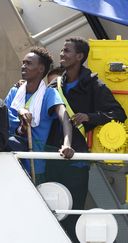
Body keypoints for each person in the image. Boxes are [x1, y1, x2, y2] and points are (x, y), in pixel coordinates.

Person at [46, 37, 127, 243]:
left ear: (80, 56)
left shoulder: (94, 84)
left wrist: (90, 117)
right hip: (51, 155)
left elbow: (118, 113)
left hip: (77, 160)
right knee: (49, 213)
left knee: (73, 213)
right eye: (62, 50)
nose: (62, 54)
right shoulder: (56, 83)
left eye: (67, 51)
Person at [5, 47, 74, 184]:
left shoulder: (49, 94)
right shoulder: (14, 91)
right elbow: (2, 119)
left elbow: (65, 118)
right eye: (23, 62)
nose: (23, 66)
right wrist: (21, 119)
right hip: (11, 162)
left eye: (29, 63)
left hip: (36, 165)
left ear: (41, 69)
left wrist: (67, 145)